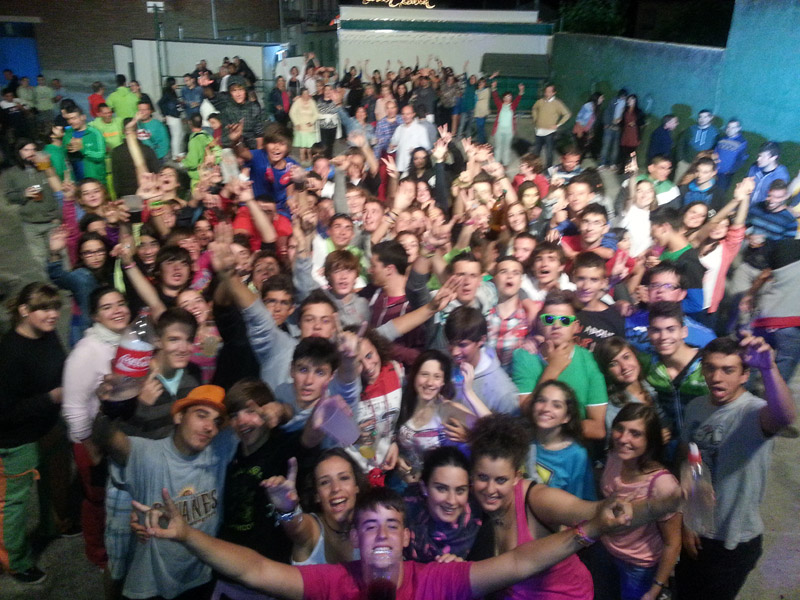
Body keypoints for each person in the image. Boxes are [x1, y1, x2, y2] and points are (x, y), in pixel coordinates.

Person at [132, 467, 653, 600]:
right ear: (357, 541)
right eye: (369, 527)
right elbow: (255, 570)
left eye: (390, 525)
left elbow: (519, 562)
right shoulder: (335, 582)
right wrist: (186, 536)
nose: (380, 535)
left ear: (406, 538)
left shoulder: (436, 582)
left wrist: (588, 529)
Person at [676, 336, 795, 600]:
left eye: (728, 370)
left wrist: (769, 368)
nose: (717, 377)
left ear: (744, 375)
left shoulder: (753, 412)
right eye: (710, 368)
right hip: (696, 531)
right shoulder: (696, 407)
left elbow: (784, 417)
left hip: (733, 539)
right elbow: (688, 457)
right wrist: (687, 520)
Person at [93, 384, 237, 600]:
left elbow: (256, 419)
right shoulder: (149, 454)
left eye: (216, 422)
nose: (210, 427)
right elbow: (108, 438)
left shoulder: (218, 450)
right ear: (179, 416)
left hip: (200, 576)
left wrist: (282, 411)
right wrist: (108, 409)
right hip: (152, 584)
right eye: (201, 415)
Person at [0, 283, 66, 584]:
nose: (53, 314)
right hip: (15, 440)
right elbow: (5, 412)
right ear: (24, 311)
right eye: (44, 308)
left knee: (49, 484)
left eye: (55, 307)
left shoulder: (48, 335)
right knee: (13, 504)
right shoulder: (9, 353)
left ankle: (51, 528)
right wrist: (50, 398)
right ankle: (15, 562)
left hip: (46, 428)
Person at [62, 286, 132, 569]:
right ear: (94, 316)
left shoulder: (130, 341)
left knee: (117, 496)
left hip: (120, 436)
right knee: (97, 500)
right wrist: (89, 445)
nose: (117, 310)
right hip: (92, 441)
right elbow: (73, 407)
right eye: (107, 307)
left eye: (120, 303)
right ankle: (99, 554)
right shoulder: (86, 351)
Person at [594, 403, 681, 600]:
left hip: (638, 567)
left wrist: (655, 589)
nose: (623, 438)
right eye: (619, 428)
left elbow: (672, 543)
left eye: (635, 434)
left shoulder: (662, 485)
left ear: (650, 440)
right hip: (606, 550)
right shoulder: (615, 456)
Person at [512, 290, 608, 440]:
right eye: (549, 319)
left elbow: (597, 429)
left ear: (575, 327)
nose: (556, 325)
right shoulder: (523, 356)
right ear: (540, 323)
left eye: (564, 320)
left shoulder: (588, 360)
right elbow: (526, 411)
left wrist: (551, 425)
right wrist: (553, 369)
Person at [264, 448, 366, 566]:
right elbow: (297, 527)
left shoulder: (370, 525)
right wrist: (287, 509)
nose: (336, 488)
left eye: (344, 478)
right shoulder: (312, 529)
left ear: (356, 487)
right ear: (317, 495)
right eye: (325, 482)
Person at [402, 446, 484, 561]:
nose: (451, 501)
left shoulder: (479, 524)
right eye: (442, 489)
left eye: (460, 490)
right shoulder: (402, 514)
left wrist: (463, 568)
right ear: (424, 487)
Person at [525, 380, 596, 500]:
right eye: (541, 400)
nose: (546, 408)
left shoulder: (576, 455)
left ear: (566, 417)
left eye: (556, 405)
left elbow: (575, 503)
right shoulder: (522, 437)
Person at [445, 305, 521, 416]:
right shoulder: (447, 366)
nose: (454, 352)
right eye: (451, 344)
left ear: (481, 340)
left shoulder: (503, 392)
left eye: (462, 345)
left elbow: (510, 427)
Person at [531, 84, 571, 169]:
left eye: (549, 91)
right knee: (536, 152)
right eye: (546, 91)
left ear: (554, 93)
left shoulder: (557, 103)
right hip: (539, 131)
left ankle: (548, 169)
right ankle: (535, 168)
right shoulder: (540, 101)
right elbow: (534, 109)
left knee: (549, 153)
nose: (547, 93)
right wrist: (535, 119)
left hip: (549, 133)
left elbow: (567, 114)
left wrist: (557, 125)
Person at [63, 105, 107, 181]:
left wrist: (83, 149)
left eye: (74, 118)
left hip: (95, 180)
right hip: (76, 181)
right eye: (68, 119)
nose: (70, 122)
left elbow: (101, 156)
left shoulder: (95, 133)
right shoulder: (68, 134)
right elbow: (65, 158)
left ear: (83, 117)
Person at [490, 82, 525, 167]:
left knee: (507, 147)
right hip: (499, 130)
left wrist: (521, 90)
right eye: (506, 97)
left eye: (509, 97)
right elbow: (495, 97)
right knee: (498, 147)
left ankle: (505, 164)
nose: (507, 98)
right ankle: (497, 163)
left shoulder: (513, 106)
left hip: (509, 131)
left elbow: (518, 98)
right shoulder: (500, 105)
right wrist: (493, 88)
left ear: (511, 98)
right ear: (503, 98)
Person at [714, 118, 748, 191]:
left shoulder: (742, 142)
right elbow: (715, 152)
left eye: (733, 127)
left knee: (720, 192)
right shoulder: (721, 139)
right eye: (728, 127)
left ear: (738, 128)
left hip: (725, 174)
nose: (730, 129)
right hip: (714, 171)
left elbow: (741, 160)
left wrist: (730, 171)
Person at [290, 87, 320, 164]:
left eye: (307, 93)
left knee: (310, 146)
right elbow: (292, 113)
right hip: (300, 127)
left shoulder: (312, 102)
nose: (306, 95)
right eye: (304, 93)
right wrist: (296, 123)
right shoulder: (297, 102)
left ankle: (310, 159)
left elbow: (316, 114)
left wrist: (312, 122)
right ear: (301, 94)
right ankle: (302, 159)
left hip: (310, 128)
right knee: (302, 146)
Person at [618, 94, 646, 172]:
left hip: (634, 134)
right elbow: (622, 122)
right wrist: (619, 122)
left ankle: (628, 167)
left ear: (635, 101)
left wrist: (635, 123)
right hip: (625, 133)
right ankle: (622, 168)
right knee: (623, 151)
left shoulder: (638, 111)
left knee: (631, 152)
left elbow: (642, 122)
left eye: (632, 100)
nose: (630, 101)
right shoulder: (625, 110)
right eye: (629, 99)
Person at [158, 76, 183, 159]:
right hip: (172, 117)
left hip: (174, 116)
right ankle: (175, 155)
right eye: (175, 83)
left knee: (178, 135)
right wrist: (164, 114)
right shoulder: (168, 94)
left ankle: (176, 153)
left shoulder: (170, 93)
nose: (176, 85)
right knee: (176, 135)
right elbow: (160, 103)